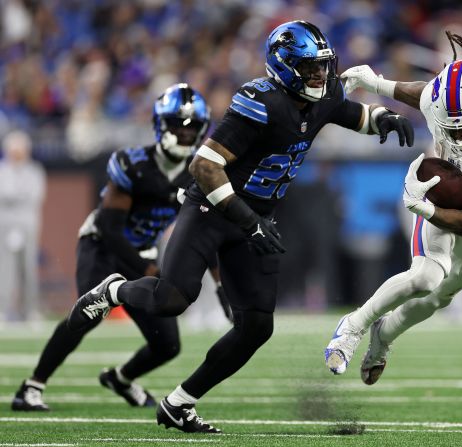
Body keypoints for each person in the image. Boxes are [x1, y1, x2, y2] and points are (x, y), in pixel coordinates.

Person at [65, 20, 414, 433]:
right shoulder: (260, 101)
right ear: (284, 67)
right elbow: (204, 165)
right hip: (212, 211)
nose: (321, 75)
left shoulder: (323, 94)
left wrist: (383, 119)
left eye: (324, 66)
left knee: (255, 327)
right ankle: (113, 290)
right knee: (171, 299)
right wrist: (249, 222)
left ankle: (180, 403)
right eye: (310, 68)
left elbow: (351, 113)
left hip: (256, 218)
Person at [324, 32, 462, 385]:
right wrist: (375, 82)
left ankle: (383, 338)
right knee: (426, 276)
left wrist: (422, 209)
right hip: (444, 196)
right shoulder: (441, 106)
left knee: (437, 299)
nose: (461, 139)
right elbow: (421, 93)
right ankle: (353, 327)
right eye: (454, 130)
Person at [11, 83, 219, 412]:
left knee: (168, 344)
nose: (184, 132)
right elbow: (109, 228)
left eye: (192, 126)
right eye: (178, 123)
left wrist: (220, 283)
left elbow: (208, 230)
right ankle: (31, 386)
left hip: (143, 252)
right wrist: (149, 270)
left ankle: (121, 378)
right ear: (161, 125)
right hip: (102, 247)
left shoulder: (198, 172)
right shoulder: (134, 164)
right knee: (88, 315)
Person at [0, 130, 46, 322]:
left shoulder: (35, 171)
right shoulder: (3, 171)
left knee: (28, 269)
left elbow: (35, 196)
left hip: (28, 225)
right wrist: (17, 195)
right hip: (5, 226)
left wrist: (14, 196)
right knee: (5, 271)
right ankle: (3, 310)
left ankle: (30, 311)